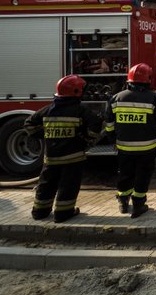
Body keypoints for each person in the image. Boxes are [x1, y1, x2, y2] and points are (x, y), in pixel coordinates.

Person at [24, 75, 102, 223]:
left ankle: (39, 211)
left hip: (51, 158)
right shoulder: (81, 110)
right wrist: (84, 139)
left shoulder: (47, 110)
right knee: (68, 185)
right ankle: (63, 213)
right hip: (73, 158)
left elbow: (29, 125)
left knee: (46, 184)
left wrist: (46, 134)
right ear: (77, 91)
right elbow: (94, 128)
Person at [104, 63, 156, 218]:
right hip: (146, 149)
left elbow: (109, 124)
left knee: (125, 174)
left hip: (123, 148)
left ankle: (122, 201)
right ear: (147, 80)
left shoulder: (115, 98)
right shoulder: (154, 99)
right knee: (143, 175)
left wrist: (112, 139)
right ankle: (138, 205)